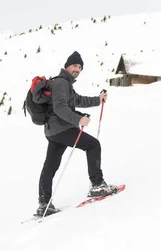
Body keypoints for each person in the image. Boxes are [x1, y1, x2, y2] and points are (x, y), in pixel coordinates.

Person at [36, 51, 116, 217]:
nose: (77, 69)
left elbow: (78, 100)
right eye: (75, 65)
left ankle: (44, 203)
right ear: (67, 66)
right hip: (62, 128)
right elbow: (60, 108)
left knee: (50, 165)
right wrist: (78, 119)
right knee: (93, 145)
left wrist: (97, 99)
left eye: (80, 67)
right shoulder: (60, 83)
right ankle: (97, 185)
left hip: (54, 131)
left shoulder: (65, 84)